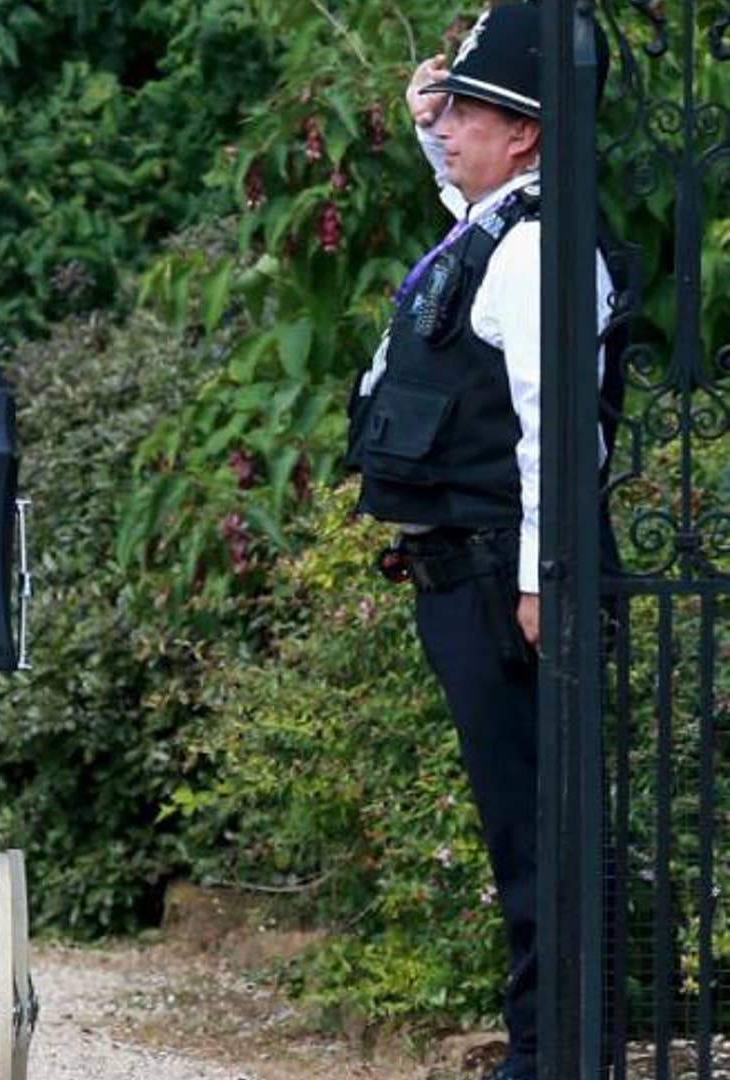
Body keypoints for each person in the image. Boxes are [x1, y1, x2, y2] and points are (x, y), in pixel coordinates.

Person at [345, 6, 620, 1079]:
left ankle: (556, 1054)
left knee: (535, 824)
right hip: (467, 569)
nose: (444, 126)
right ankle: (554, 1045)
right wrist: (436, 117)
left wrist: (542, 577)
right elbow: (462, 210)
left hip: (499, 574)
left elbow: (558, 425)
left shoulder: (542, 247)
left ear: (528, 136)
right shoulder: (502, 227)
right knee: (520, 819)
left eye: (468, 112)